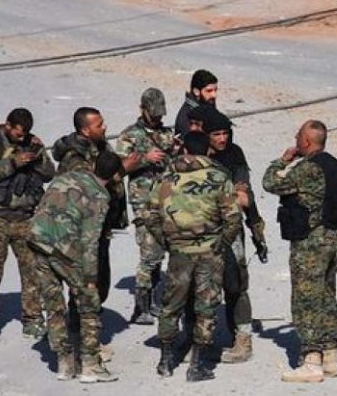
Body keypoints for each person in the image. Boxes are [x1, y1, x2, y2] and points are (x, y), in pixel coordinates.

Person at [146, 132, 241, 382]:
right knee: (206, 307)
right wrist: (221, 244)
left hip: (179, 252)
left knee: (171, 305)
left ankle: (165, 360)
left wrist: (167, 241)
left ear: (184, 149)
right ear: (207, 150)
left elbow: (149, 215)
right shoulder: (219, 177)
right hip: (210, 251)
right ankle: (196, 365)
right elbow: (233, 218)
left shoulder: (165, 178)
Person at [263, 120, 337, 382]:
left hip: (311, 243)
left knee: (306, 298)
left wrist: (282, 160)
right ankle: (330, 356)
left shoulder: (308, 168)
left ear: (307, 142)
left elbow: (271, 184)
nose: (295, 139)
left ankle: (312, 361)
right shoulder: (335, 166)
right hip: (333, 238)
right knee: (326, 295)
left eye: (298, 136)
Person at [29, 151, 124, 383]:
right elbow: (90, 241)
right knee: (89, 305)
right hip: (66, 251)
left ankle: (64, 362)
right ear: (114, 176)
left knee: (54, 305)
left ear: (93, 165)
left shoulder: (67, 177)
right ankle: (90, 364)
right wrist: (91, 277)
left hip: (38, 243)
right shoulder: (99, 197)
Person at [0, 108, 55, 343]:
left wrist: (38, 154)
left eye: (24, 134)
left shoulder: (32, 142)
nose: (21, 138)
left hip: (25, 217)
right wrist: (12, 163)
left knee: (32, 272)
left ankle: (33, 319)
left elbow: (49, 174)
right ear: (8, 125)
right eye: (18, 134)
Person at [198, 109, 268, 364]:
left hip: (230, 229)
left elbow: (244, 197)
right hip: (200, 231)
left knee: (236, 284)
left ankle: (242, 338)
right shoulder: (195, 154)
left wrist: (257, 231)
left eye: (225, 133)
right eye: (216, 134)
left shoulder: (234, 155)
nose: (222, 138)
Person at [115, 88, 176, 325]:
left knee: (162, 251)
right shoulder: (129, 136)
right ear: (142, 109)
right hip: (143, 201)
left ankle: (154, 300)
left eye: (161, 115)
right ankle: (141, 307)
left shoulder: (166, 134)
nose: (158, 119)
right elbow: (119, 169)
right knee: (149, 252)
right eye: (154, 115)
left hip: (167, 198)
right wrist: (144, 158)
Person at [175, 70, 219, 137]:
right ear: (196, 91)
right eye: (209, 91)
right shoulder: (187, 117)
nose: (214, 95)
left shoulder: (207, 104)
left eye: (215, 90)